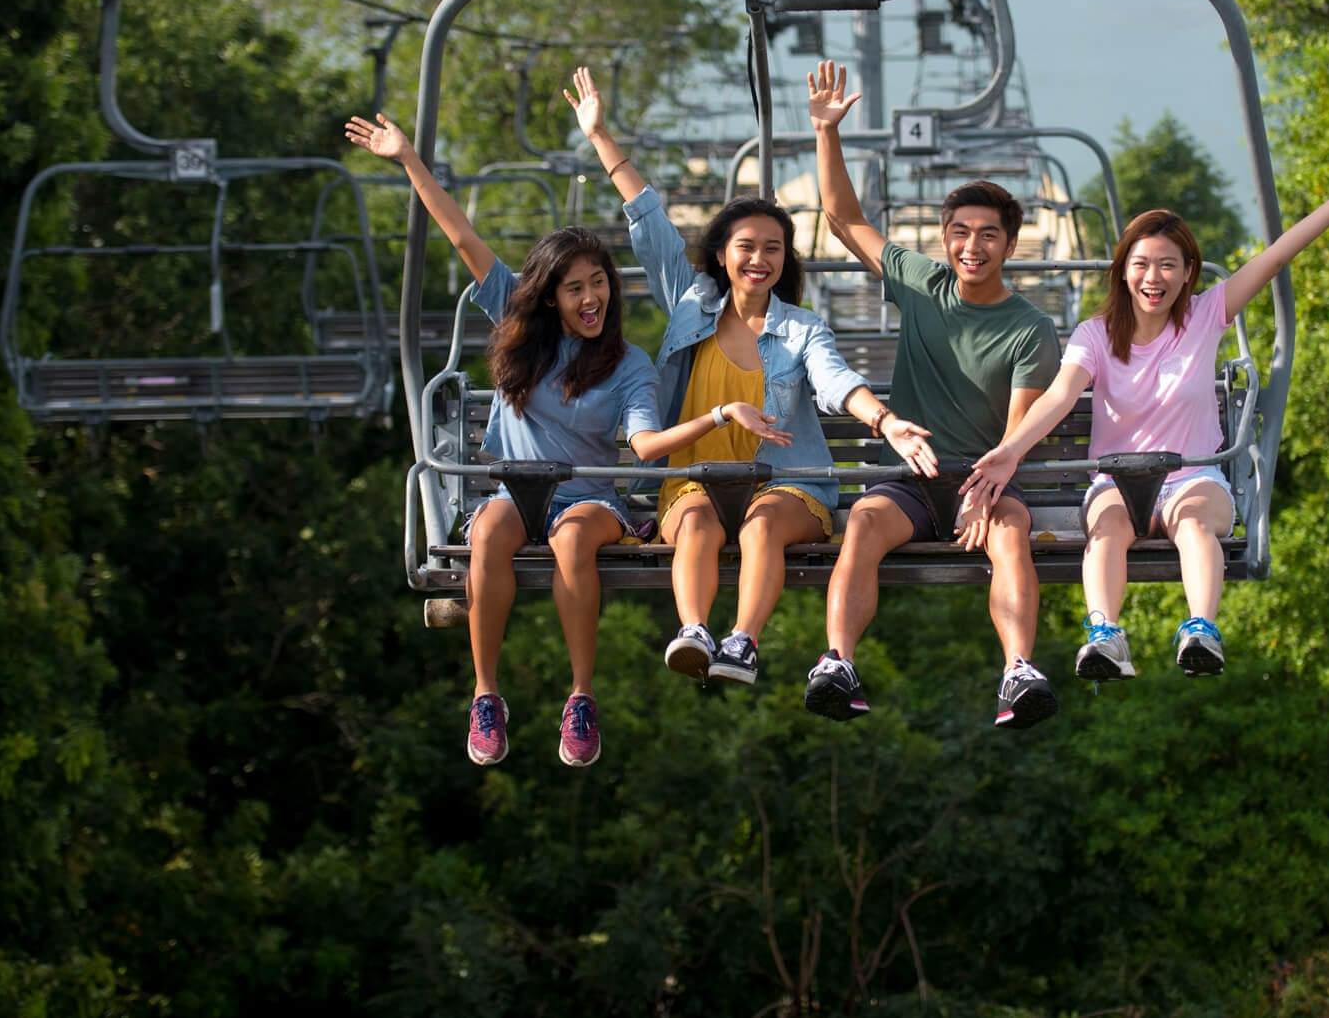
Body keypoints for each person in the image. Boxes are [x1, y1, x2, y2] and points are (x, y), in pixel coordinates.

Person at [346, 112, 775, 768]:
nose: (590, 297)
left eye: (598, 283)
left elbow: (647, 444)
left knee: (573, 536)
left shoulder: (628, 364)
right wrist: (408, 160)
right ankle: (486, 694)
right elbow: (462, 238)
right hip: (517, 490)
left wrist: (717, 416)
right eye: (574, 288)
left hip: (587, 498)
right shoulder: (524, 335)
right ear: (549, 298)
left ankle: (580, 697)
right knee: (487, 532)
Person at [564, 67, 938, 687]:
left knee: (763, 523)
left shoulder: (800, 329)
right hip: (693, 475)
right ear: (721, 254)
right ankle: (694, 630)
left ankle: (741, 642)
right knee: (697, 523)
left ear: (784, 259)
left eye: (773, 248)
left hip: (785, 481)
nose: (759, 259)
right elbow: (648, 221)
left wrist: (884, 419)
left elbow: (834, 379)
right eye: (746, 246)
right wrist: (601, 136)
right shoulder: (691, 305)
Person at [963, 162, 1329, 682]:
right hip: (1116, 478)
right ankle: (1106, 635)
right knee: (1105, 531)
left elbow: (1277, 256)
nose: (1154, 279)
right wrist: (1012, 449)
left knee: (1194, 525)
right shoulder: (1095, 334)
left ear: (1188, 272)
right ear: (1124, 269)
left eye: (1168, 266)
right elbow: (1061, 394)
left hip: (1193, 475)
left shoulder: (1205, 315)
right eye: (1143, 265)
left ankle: (1201, 630)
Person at [802, 59, 1064, 728]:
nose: (971, 247)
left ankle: (1017, 670)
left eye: (986, 235)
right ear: (944, 239)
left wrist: (985, 492)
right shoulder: (921, 282)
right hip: (911, 482)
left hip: (987, 480)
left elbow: (1015, 435)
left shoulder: (1029, 329)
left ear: (1009, 243)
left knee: (1010, 537)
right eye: (959, 233)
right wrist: (826, 133)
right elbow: (841, 218)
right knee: (860, 523)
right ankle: (837, 660)